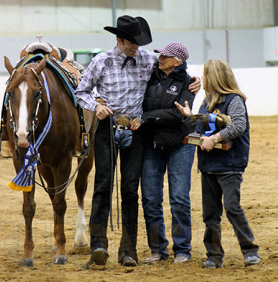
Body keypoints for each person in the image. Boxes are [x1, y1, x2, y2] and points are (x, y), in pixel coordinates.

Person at [74, 15, 201, 267]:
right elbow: (82, 92)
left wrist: (194, 81)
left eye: (138, 43)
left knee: (131, 190)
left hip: (136, 130)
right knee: (103, 185)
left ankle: (128, 249)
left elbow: (174, 70)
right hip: (107, 128)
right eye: (131, 43)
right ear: (119, 40)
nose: (136, 47)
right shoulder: (101, 61)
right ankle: (98, 244)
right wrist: (95, 106)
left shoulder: (148, 60)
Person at [175, 59, 260, 269]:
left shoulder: (234, 100)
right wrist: (188, 118)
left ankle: (250, 250)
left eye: (206, 74)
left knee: (232, 208)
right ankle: (213, 255)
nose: (202, 79)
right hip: (209, 165)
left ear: (215, 77)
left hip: (230, 165)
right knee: (210, 213)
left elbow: (239, 125)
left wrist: (216, 138)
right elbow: (200, 130)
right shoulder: (206, 102)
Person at [139, 42, 196, 264]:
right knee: (151, 199)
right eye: (160, 54)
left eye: (166, 56)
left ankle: (182, 249)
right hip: (152, 143)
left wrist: (147, 117)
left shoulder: (189, 83)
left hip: (180, 144)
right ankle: (157, 249)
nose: (160, 58)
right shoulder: (148, 76)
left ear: (178, 61)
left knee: (179, 198)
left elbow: (179, 114)